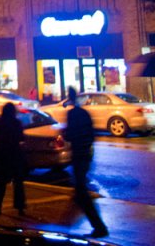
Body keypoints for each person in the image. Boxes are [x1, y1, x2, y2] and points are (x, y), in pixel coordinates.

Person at [63, 86, 109, 238]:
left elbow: (70, 134)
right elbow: (91, 133)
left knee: (81, 191)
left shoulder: (72, 114)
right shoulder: (84, 113)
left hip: (79, 154)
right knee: (79, 189)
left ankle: (98, 226)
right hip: (86, 154)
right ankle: (73, 223)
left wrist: (65, 134)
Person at [0, 102, 27, 215]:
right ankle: (20, 207)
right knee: (18, 182)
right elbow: (21, 137)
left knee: (1, 182)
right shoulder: (17, 123)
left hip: (2, 154)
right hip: (15, 153)